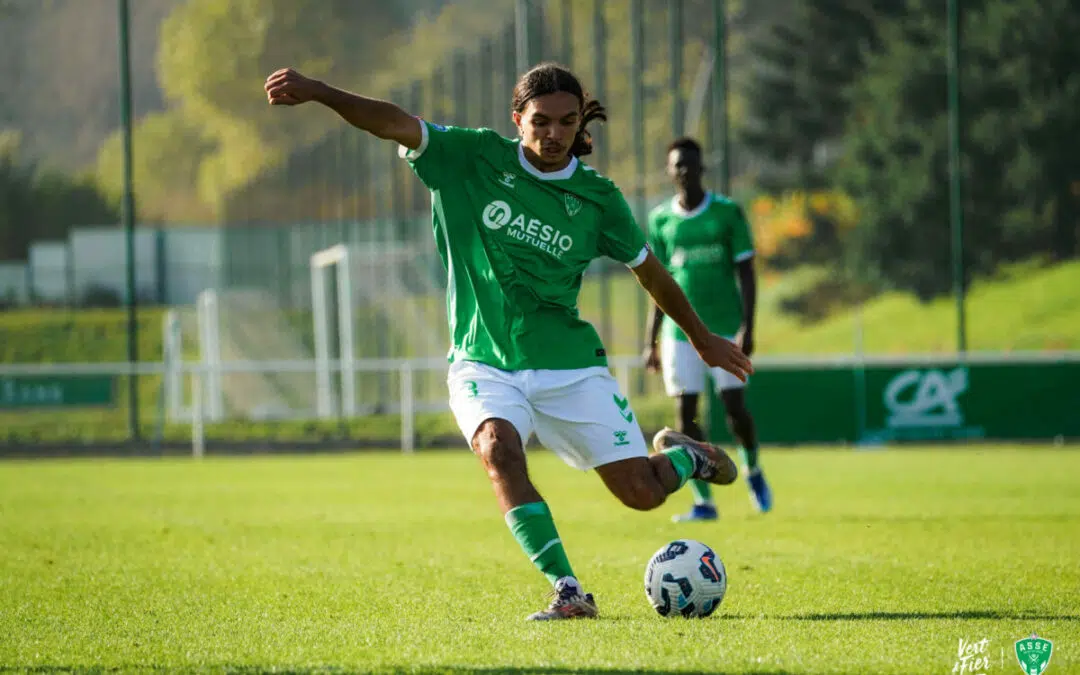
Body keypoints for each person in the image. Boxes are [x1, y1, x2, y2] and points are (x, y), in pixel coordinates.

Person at [264, 63, 753, 621]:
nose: (554, 133)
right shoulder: (471, 157)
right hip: (483, 359)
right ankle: (568, 590)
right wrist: (321, 92)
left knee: (641, 493)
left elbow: (650, 272)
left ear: (579, 122)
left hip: (567, 363)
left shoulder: (598, 198)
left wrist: (702, 339)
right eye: (541, 121)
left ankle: (688, 457)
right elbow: (392, 122)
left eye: (567, 121)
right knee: (498, 449)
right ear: (517, 119)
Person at [643, 137, 773, 522]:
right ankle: (703, 501)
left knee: (735, 409)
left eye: (690, 164)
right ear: (669, 172)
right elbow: (657, 284)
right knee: (686, 418)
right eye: (677, 165)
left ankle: (752, 469)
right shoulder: (660, 220)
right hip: (678, 334)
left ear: (702, 168)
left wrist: (748, 326)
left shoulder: (727, 213)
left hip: (724, 328)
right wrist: (651, 340)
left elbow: (746, 271)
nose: (685, 171)